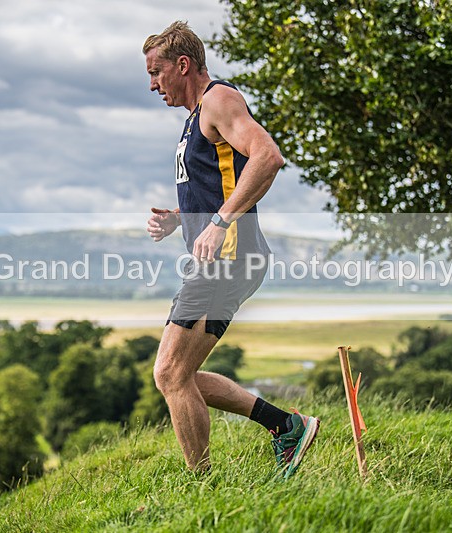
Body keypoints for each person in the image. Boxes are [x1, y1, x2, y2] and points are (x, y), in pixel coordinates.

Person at [142, 21, 319, 478]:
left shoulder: (219, 100)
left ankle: (203, 487)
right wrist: (183, 220)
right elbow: (223, 184)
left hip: (229, 259)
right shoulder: (194, 118)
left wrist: (221, 222)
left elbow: (268, 156)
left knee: (168, 374)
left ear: (183, 65)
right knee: (180, 376)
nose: (152, 83)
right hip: (223, 260)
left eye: (156, 71)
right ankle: (287, 426)